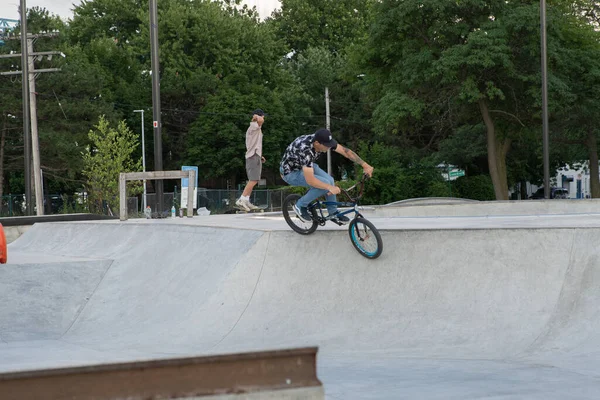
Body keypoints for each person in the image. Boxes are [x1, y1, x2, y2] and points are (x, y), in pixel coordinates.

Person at [279, 128, 374, 224]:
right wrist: (329, 187)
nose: (329, 148)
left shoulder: (321, 139)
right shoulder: (305, 150)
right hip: (290, 173)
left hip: (305, 166)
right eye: (326, 146)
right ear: (316, 143)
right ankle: (299, 205)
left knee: (330, 180)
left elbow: (345, 151)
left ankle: (333, 213)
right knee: (325, 185)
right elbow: (311, 180)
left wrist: (365, 165)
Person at [236, 109, 266, 211]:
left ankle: (246, 200)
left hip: (255, 154)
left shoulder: (254, 128)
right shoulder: (254, 126)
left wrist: (260, 155)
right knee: (253, 179)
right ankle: (241, 199)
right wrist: (256, 117)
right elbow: (260, 120)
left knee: (254, 179)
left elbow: (254, 143)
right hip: (253, 156)